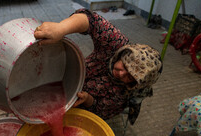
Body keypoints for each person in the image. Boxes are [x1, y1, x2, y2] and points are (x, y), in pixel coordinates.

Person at [34, 9, 163, 125]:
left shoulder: (122, 94)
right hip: (70, 79)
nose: (121, 74)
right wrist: (61, 28)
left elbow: (100, 111)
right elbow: (92, 21)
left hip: (77, 105)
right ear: (124, 55)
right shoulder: (116, 44)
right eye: (125, 66)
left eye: (130, 77)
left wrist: (88, 99)